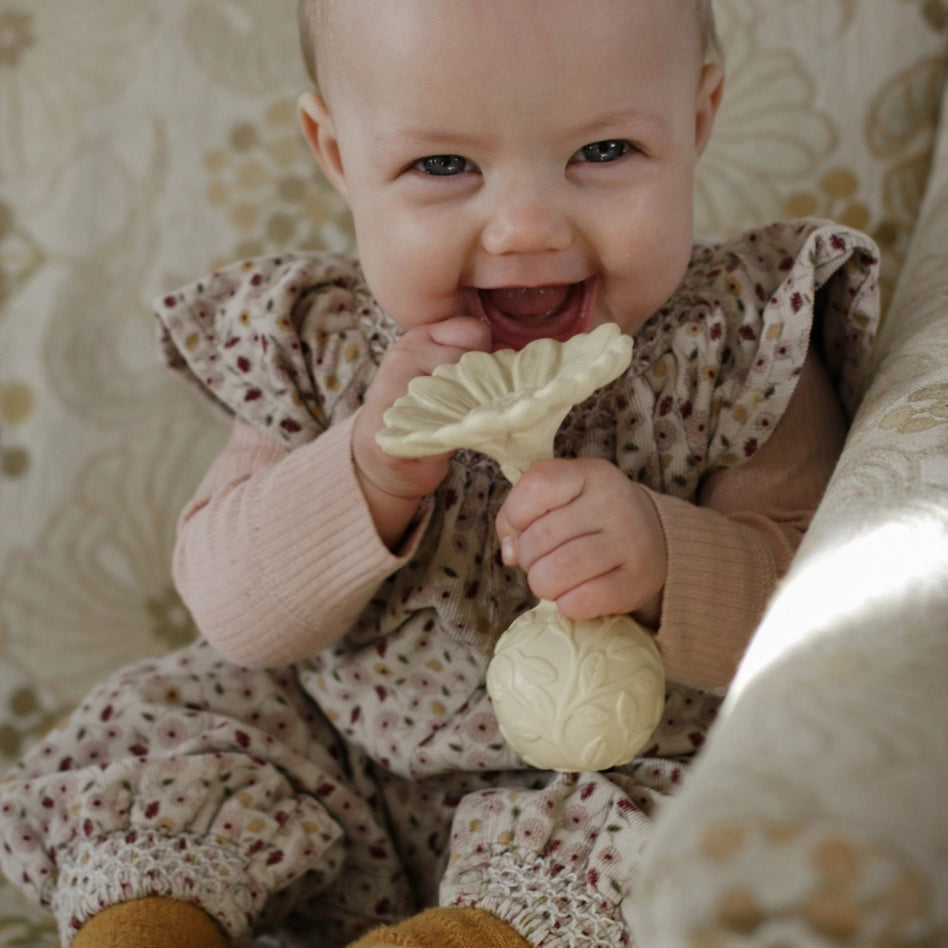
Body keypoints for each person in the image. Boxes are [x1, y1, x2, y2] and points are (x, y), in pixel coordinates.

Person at [0, 2, 880, 946]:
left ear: (698, 118)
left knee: (717, 818)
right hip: (332, 765)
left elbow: (826, 623)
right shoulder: (321, 347)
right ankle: (156, 921)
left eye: (604, 151)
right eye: (445, 165)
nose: (526, 228)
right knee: (176, 728)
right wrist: (365, 470)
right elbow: (233, 614)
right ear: (336, 152)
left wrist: (670, 558)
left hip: (604, 788)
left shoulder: (742, 342)